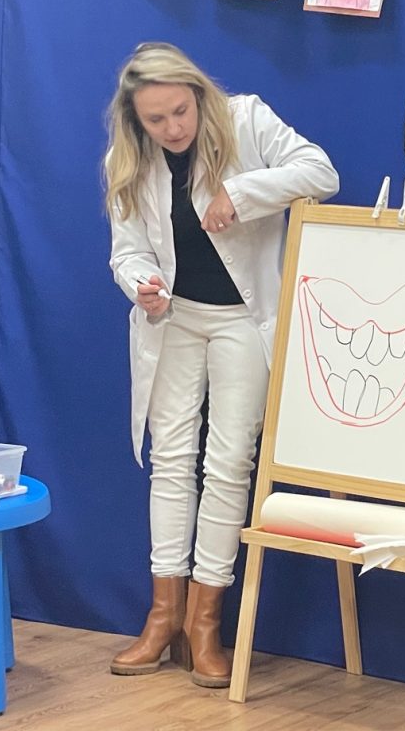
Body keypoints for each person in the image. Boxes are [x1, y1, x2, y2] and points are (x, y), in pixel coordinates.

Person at [102, 42, 339, 688]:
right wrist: (140, 283)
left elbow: (320, 171)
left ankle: (204, 622)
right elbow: (126, 251)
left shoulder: (247, 119)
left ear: (199, 95)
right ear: (135, 120)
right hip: (173, 318)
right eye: (155, 119)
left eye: (180, 111)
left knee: (230, 462)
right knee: (171, 461)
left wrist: (241, 193)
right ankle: (162, 617)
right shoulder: (128, 161)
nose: (172, 128)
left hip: (244, 318)